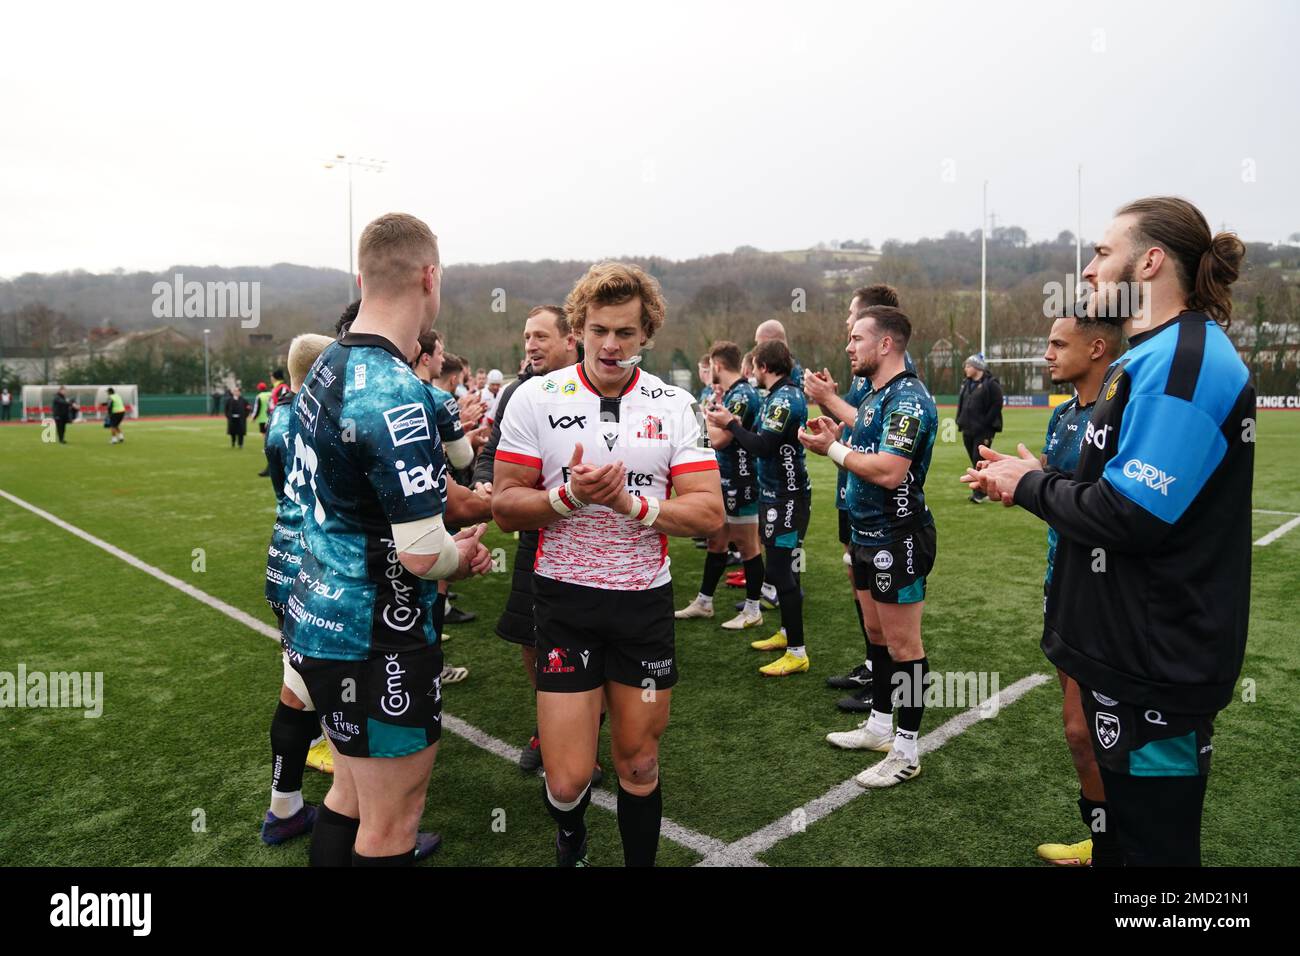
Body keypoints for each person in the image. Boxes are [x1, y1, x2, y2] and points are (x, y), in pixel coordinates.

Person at [967, 197, 1252, 866]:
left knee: (1158, 858)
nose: (1088, 269)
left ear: (1149, 261)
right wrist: (1039, 481)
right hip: (1122, 646)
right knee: (1124, 843)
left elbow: (1133, 513)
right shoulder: (1147, 357)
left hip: (1156, 661)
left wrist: (1028, 485)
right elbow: (1110, 492)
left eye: (1101, 252)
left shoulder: (1187, 361)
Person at [492, 261, 723, 866]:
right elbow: (507, 508)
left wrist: (630, 503)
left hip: (643, 605)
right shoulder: (535, 398)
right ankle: (571, 835)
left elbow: (708, 515)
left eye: (625, 332)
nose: (611, 345)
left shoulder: (675, 405)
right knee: (567, 780)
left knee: (639, 762)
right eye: (599, 331)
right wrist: (568, 497)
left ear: (646, 333)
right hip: (565, 603)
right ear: (579, 331)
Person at [284, 212, 492, 867]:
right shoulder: (395, 393)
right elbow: (424, 552)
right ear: (430, 278)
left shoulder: (323, 365)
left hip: (317, 612)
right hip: (378, 636)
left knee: (349, 797)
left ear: (361, 277)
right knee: (392, 825)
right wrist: (468, 558)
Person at [801, 305, 938, 787]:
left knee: (905, 646)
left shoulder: (909, 399)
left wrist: (831, 451)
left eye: (857, 338)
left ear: (885, 344)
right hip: (865, 532)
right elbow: (868, 448)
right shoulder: (878, 397)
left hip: (898, 537)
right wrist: (838, 435)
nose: (848, 346)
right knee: (877, 638)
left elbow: (890, 470)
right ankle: (879, 727)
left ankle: (906, 750)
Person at [1022, 313, 1125, 867]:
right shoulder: (1062, 415)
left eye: (1059, 344)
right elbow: (1056, 483)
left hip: (1103, 592)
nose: (1047, 354)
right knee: (1083, 733)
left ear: (1098, 348)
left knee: (1085, 731)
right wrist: (1020, 477)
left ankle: (1117, 847)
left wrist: (1036, 485)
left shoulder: (1124, 413)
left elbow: (1107, 503)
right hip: (1058, 579)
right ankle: (1107, 842)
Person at [473, 304, 580, 772]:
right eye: (526, 337)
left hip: (583, 541)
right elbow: (490, 452)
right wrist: (484, 480)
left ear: (570, 339)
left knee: (579, 643)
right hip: (533, 537)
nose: (531, 346)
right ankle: (548, 727)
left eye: (540, 336)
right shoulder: (517, 391)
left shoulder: (591, 389)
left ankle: (579, 741)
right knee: (530, 636)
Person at [804, 283, 902, 712]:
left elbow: (873, 430)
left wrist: (828, 401)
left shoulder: (900, 381)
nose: (847, 333)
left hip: (886, 515)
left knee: (898, 626)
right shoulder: (873, 374)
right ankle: (875, 668)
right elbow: (860, 423)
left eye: (854, 326)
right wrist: (833, 415)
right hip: (856, 496)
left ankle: (891, 696)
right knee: (862, 589)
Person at [261, 332, 335, 844]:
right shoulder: (318, 421)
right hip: (314, 566)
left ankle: (285, 805)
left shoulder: (279, 419)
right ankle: (373, 826)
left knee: (300, 686)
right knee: (328, 689)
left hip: (282, 559)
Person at [707, 339, 812, 676]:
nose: (750, 372)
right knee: (786, 571)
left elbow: (763, 446)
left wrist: (732, 424)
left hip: (787, 496)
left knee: (781, 573)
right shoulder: (779, 395)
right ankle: (787, 635)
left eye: (753, 366)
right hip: (778, 494)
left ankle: (797, 651)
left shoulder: (783, 398)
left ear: (763, 367)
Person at [676, 341, 766, 629]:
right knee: (717, 541)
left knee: (748, 545)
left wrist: (693, 427)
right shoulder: (731, 393)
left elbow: (718, 440)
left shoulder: (742, 395)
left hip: (741, 481)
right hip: (725, 480)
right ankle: (704, 602)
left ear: (716, 365)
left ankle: (753, 609)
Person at [956, 355, 1003, 502]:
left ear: (977, 368)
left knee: (979, 459)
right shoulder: (966, 383)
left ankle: (980, 492)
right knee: (973, 459)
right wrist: (959, 420)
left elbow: (997, 405)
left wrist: (985, 423)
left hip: (984, 430)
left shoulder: (991, 384)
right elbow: (962, 403)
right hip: (967, 428)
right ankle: (985, 489)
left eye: (968, 366)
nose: (966, 369)